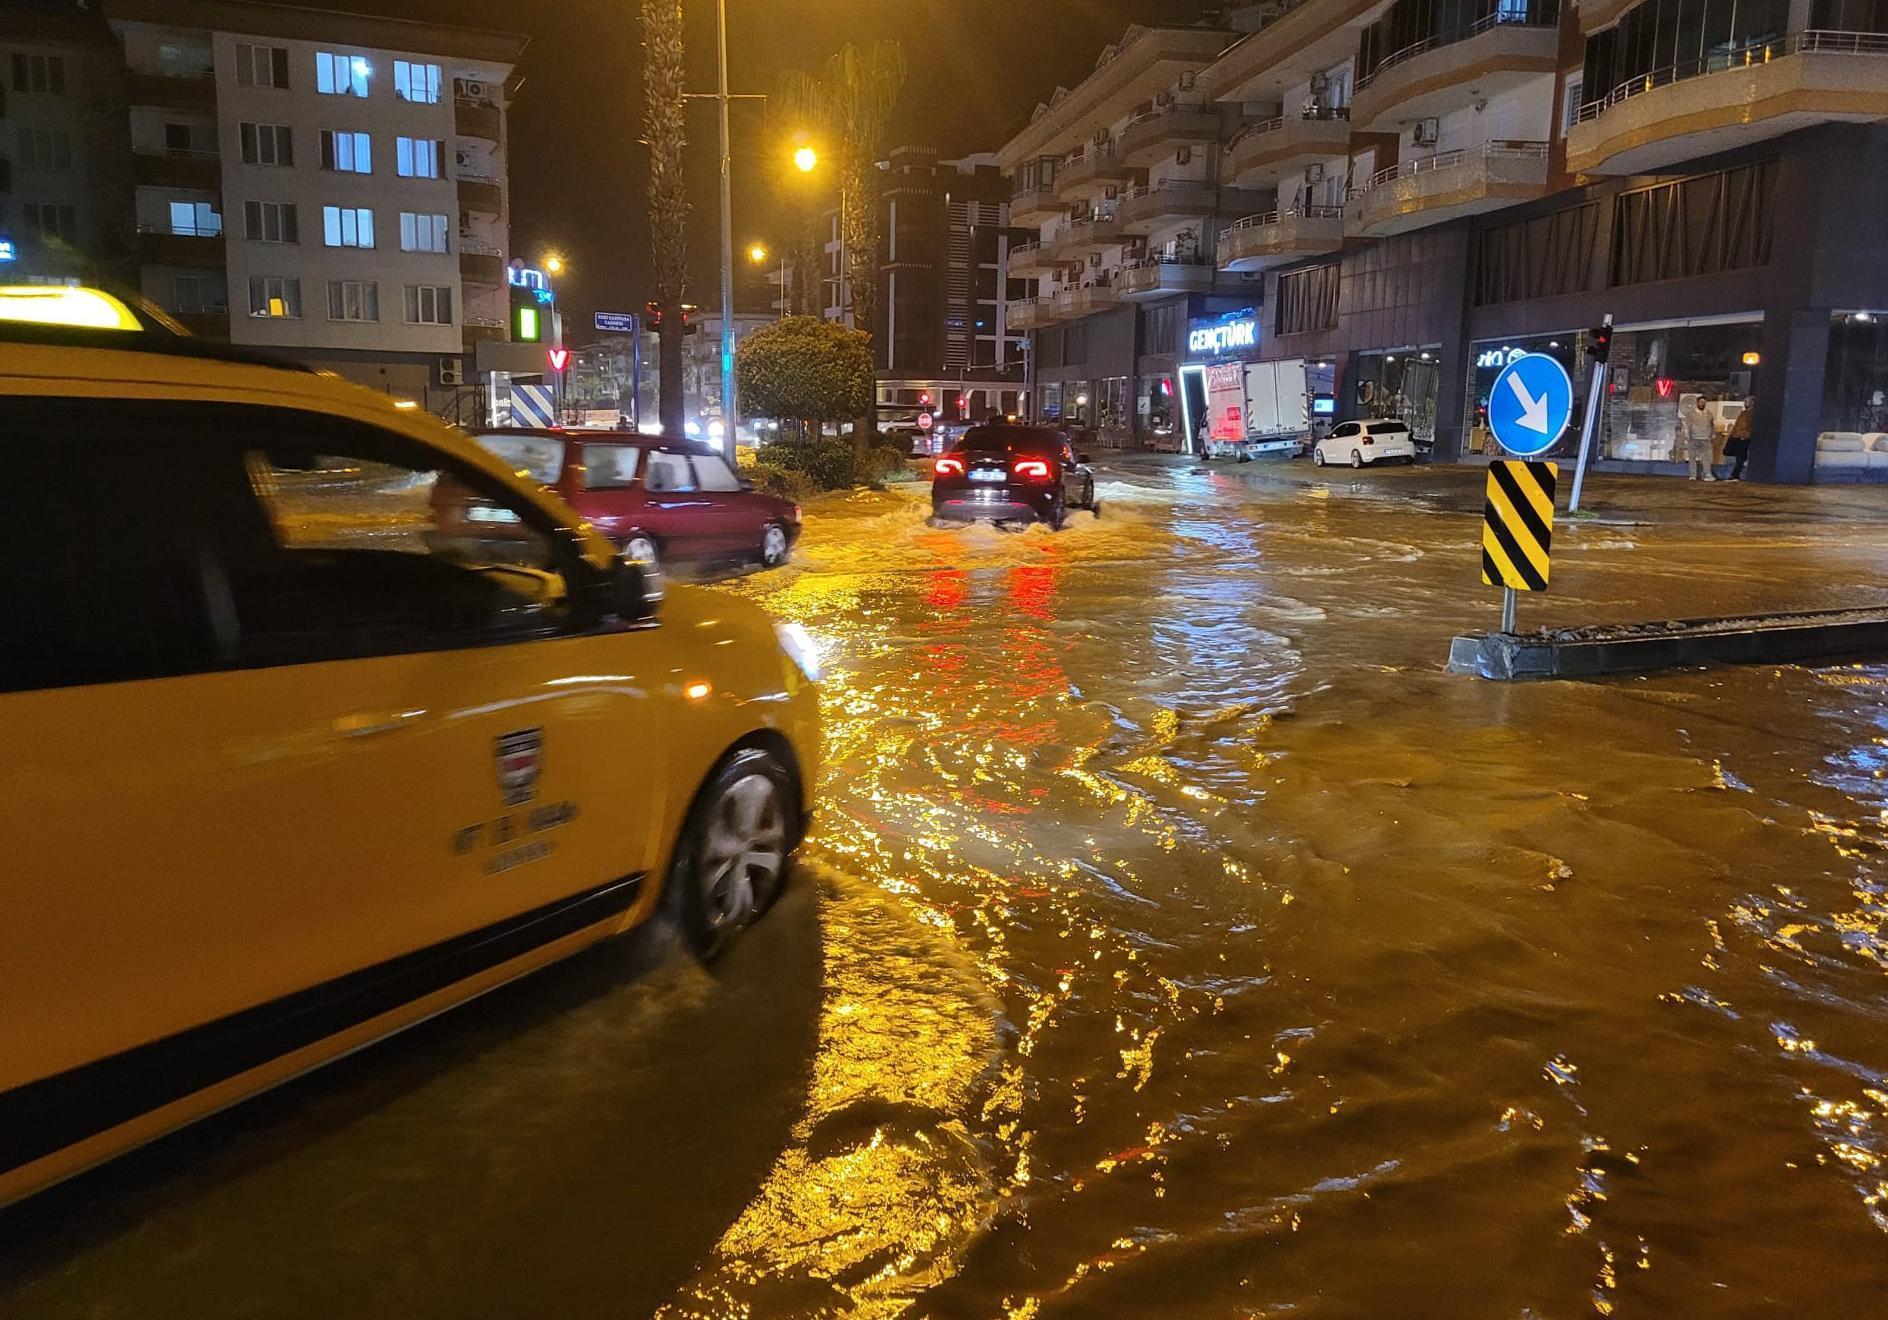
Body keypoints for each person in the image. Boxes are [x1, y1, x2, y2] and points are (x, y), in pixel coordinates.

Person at [1683, 394, 1718, 481]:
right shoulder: (1690, 414)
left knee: (1707, 458)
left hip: (1706, 439)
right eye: (1701, 402)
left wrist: (1713, 435)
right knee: (1692, 458)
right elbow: (1687, 426)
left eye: (1704, 402)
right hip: (1693, 439)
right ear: (1697, 403)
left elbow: (1712, 425)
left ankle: (1706, 474)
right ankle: (1693, 475)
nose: (1702, 404)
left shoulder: (1709, 414)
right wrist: (1687, 437)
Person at [1725, 395, 1755, 481]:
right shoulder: (1746, 413)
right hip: (1739, 437)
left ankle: (1735, 475)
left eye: (1746, 402)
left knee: (1740, 458)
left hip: (1741, 438)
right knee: (1740, 457)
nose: (1745, 403)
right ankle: (1735, 474)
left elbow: (1744, 426)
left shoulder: (1748, 414)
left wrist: (1743, 435)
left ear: (1752, 403)